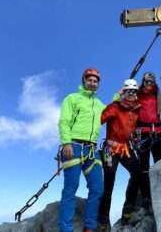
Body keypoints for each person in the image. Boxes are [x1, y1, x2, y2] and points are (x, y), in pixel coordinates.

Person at [58, 68, 105, 232]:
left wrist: (119, 95)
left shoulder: (99, 104)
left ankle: (89, 228)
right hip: (74, 146)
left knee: (98, 189)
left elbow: (113, 109)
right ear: (84, 81)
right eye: (89, 80)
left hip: (92, 149)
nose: (92, 83)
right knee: (71, 189)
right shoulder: (72, 98)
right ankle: (66, 229)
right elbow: (64, 121)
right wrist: (66, 143)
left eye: (95, 81)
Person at [97, 79, 146, 231]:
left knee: (137, 174)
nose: (131, 94)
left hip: (125, 148)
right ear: (123, 93)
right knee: (109, 183)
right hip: (110, 149)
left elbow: (136, 126)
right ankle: (103, 219)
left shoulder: (137, 109)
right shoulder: (115, 106)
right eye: (128, 91)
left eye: (134, 91)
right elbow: (98, 120)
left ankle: (128, 210)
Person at [134, 72, 161, 207]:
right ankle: (146, 195)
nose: (149, 83)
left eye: (151, 81)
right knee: (143, 166)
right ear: (143, 81)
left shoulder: (158, 96)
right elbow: (124, 101)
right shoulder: (137, 96)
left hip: (158, 132)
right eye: (147, 81)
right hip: (143, 133)